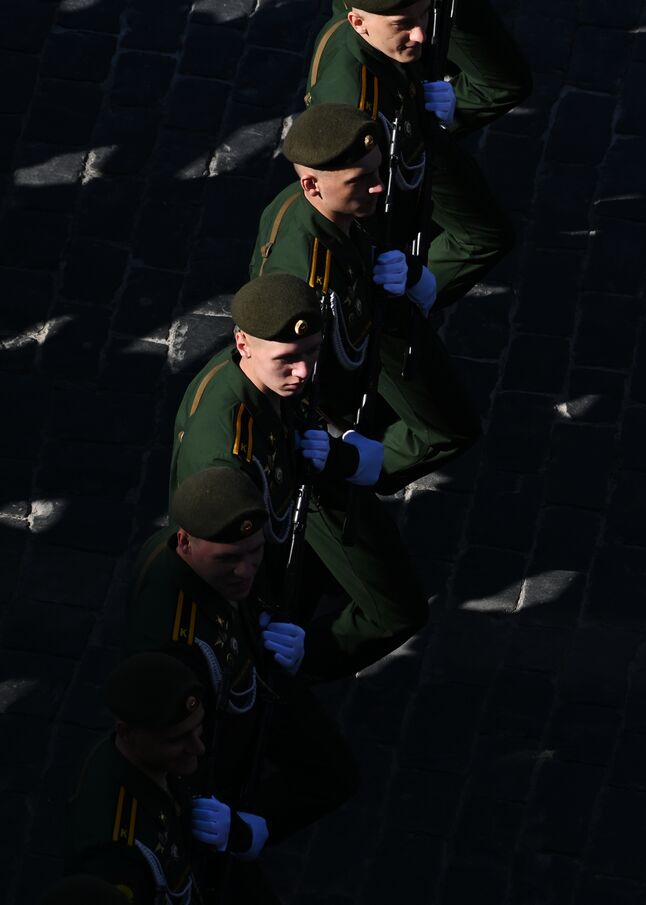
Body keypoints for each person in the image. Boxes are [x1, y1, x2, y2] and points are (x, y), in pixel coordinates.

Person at [169, 273, 428, 678]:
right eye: (287, 359)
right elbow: (217, 559)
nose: (303, 371)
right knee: (394, 613)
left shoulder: (260, 373)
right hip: (267, 545)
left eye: (311, 352)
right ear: (243, 344)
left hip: (295, 500)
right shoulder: (223, 455)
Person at [127, 466, 357, 871]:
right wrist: (232, 828)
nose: (246, 570)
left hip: (248, 677)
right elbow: (172, 751)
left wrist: (266, 625)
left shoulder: (199, 560)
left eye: (255, 552)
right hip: (219, 739)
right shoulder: (173, 641)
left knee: (334, 773)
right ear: (185, 543)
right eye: (229, 559)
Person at [253, 103, 480, 493]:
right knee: (447, 431)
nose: (378, 186)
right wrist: (350, 461)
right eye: (361, 180)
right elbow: (284, 378)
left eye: (376, 172)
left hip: (369, 336)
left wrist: (408, 273)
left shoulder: (324, 207)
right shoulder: (302, 280)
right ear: (312, 185)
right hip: (343, 395)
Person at [303, 0, 531, 306]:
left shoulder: (368, 37)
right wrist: (415, 288)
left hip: (409, 139)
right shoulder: (352, 104)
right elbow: (356, 200)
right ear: (358, 22)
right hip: (405, 152)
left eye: (422, 16)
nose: (420, 34)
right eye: (404, 23)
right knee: (481, 238)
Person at [65, 652, 225, 904]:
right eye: (176, 739)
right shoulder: (116, 851)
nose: (199, 748)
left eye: (197, 729)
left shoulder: (148, 758)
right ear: (126, 732)